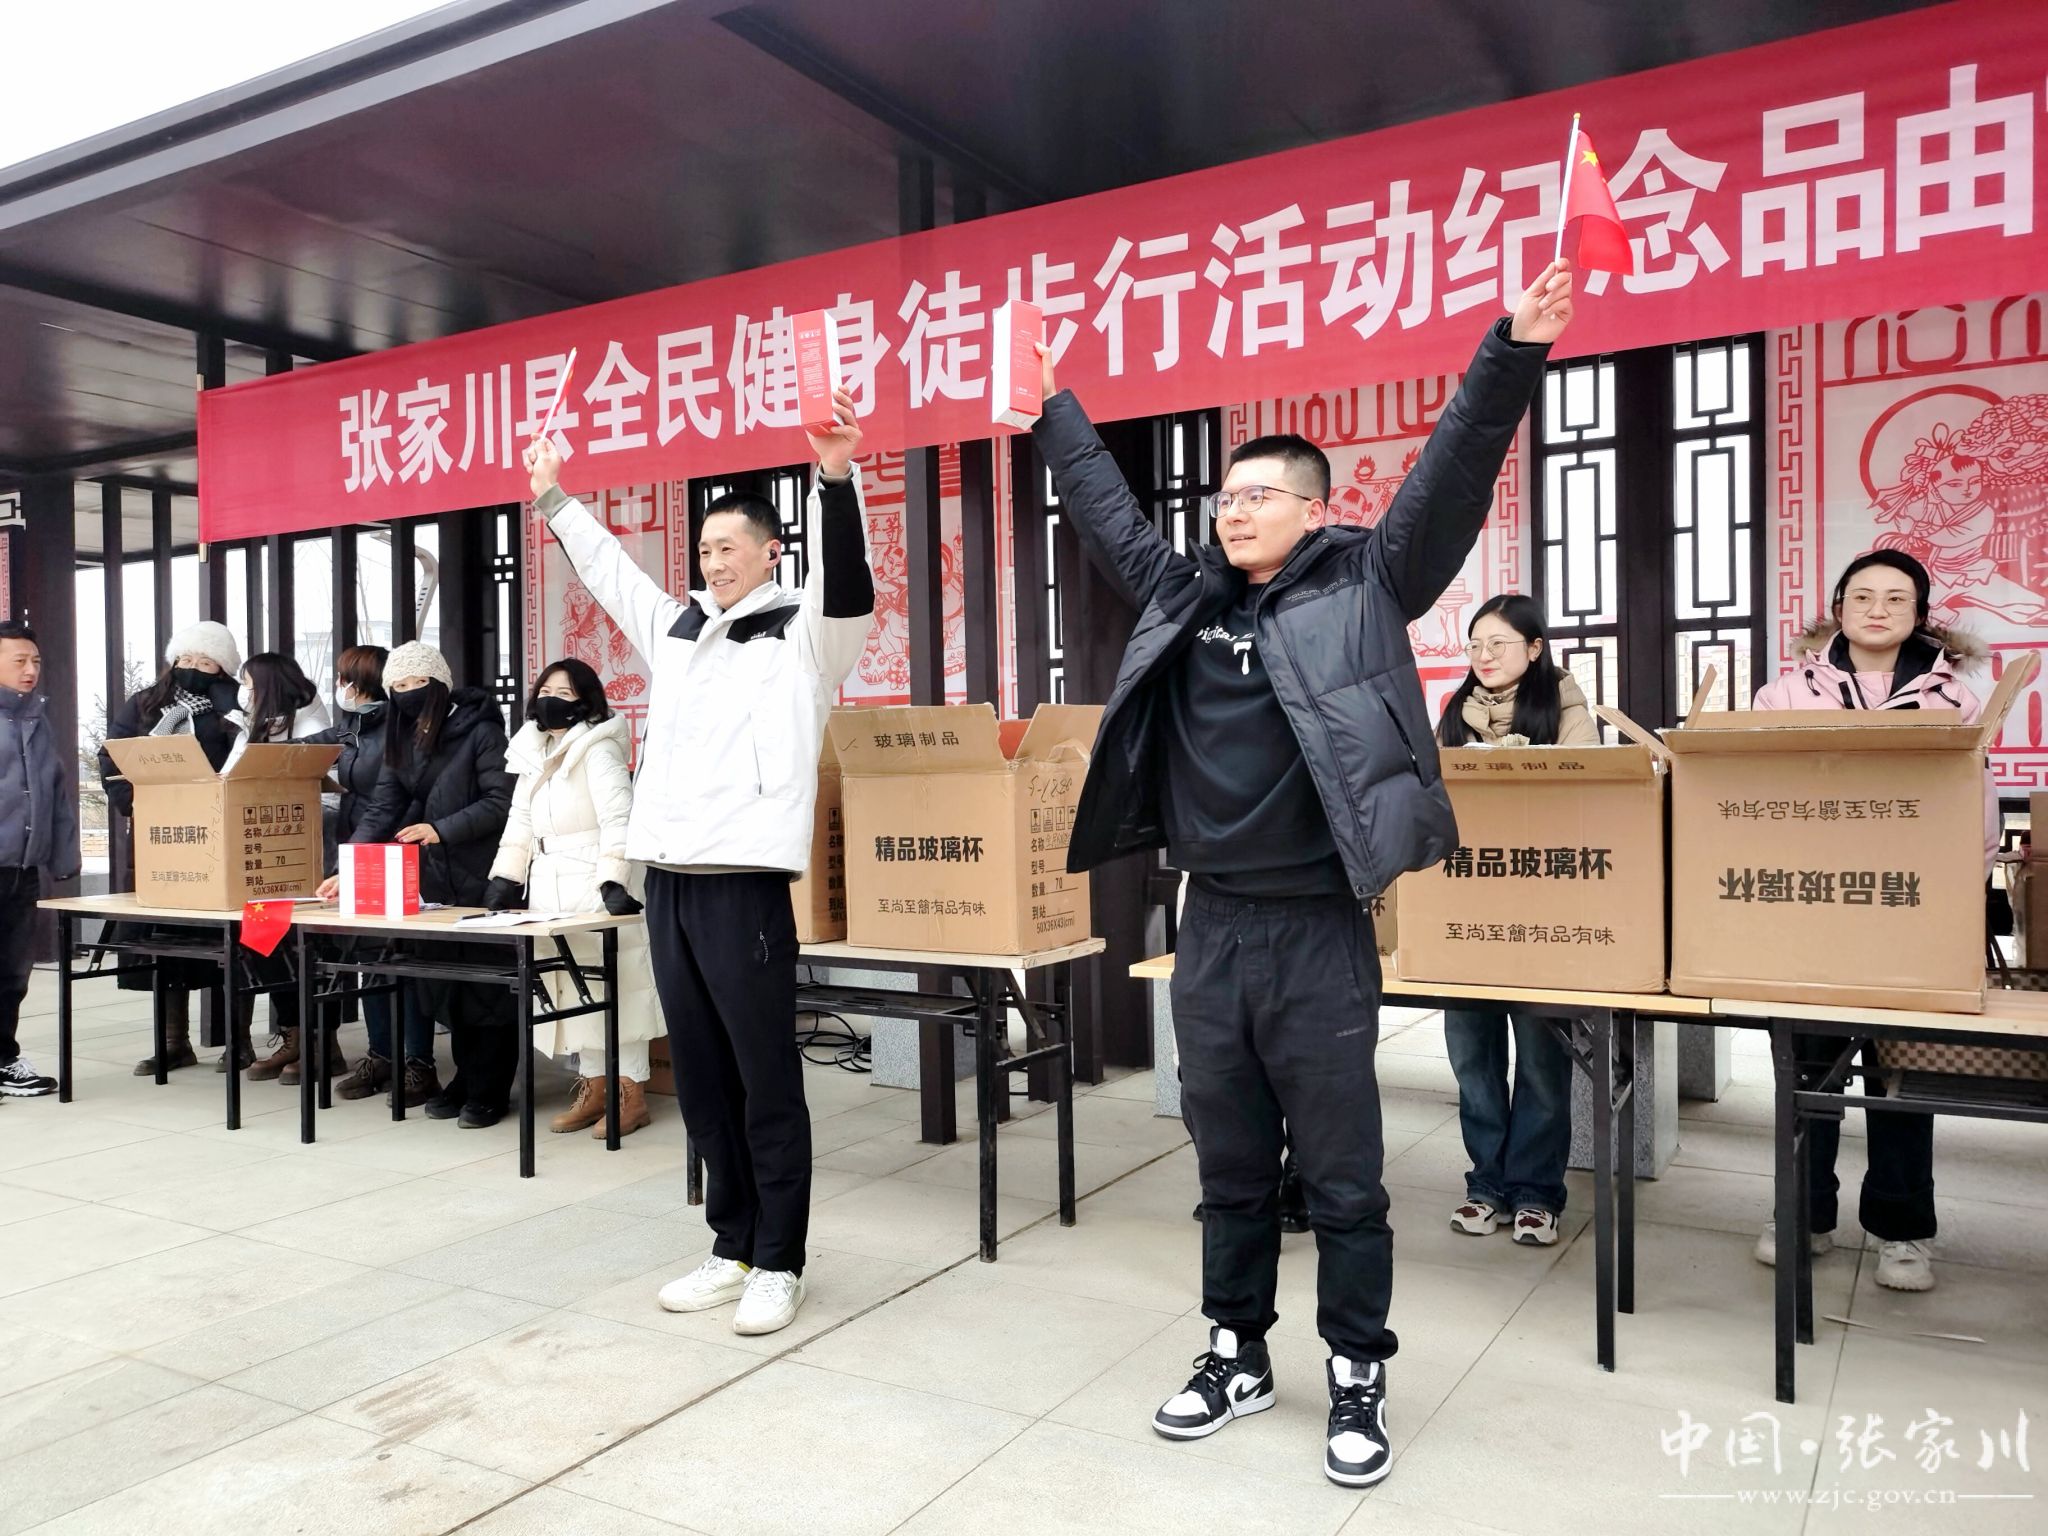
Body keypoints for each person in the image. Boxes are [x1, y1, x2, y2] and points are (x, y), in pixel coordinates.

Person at [1033, 261, 1574, 1487]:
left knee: (1341, 1175)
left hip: (1320, 929)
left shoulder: (1366, 585)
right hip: (1210, 925)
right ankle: (1233, 1352)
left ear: (1314, 510)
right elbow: (1107, 516)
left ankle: (1355, 1370)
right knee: (1227, 1165)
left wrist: (1511, 348)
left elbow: (1450, 476)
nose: (1232, 513)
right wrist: (1051, 411)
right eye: (1223, 498)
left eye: (1259, 496)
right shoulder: (1183, 596)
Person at [524, 385, 875, 1337]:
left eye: (731, 547)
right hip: (669, 883)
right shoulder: (676, 631)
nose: (715, 561)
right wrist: (554, 496)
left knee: (766, 1079)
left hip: (745, 888)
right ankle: (732, 1245)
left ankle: (782, 1260)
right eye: (706, 549)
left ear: (772, 551)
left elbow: (849, 583)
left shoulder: (807, 635)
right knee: (707, 1081)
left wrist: (834, 476)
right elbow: (608, 572)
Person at [1750, 548, 1997, 1294]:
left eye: (1896, 598)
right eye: (1862, 596)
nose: (1878, 609)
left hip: (1910, 912)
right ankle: (1803, 1212)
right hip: (1808, 906)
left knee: (1902, 1077)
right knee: (1807, 1071)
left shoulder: (1956, 700)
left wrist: (1961, 891)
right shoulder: (1784, 695)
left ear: (1920, 615)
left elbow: (1977, 807)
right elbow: (1750, 796)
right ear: (1838, 608)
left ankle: (1902, 1229)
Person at [1433, 594, 1598, 1247]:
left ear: (1534, 648)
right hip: (1467, 909)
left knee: (1540, 1064)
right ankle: (1486, 1185)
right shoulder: (1455, 713)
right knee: (1472, 1061)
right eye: (1476, 644)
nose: (1484, 656)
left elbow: (1585, 798)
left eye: (1498, 643)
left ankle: (1536, 1191)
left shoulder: (1567, 710)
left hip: (1543, 912)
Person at [320, 642, 513, 1127]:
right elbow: (384, 806)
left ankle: (489, 1089)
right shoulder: (403, 738)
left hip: (482, 877)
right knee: (447, 986)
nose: (409, 693)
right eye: (399, 686)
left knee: (487, 990)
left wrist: (441, 829)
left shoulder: (482, 730)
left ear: (440, 684)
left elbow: (500, 802)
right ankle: (464, 1079)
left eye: (418, 683)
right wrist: (349, 867)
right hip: (433, 883)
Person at [482, 658, 662, 1137]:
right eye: (545, 691)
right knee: (573, 986)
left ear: (586, 701)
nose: (551, 700)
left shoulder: (598, 750)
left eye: (564, 693)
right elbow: (520, 822)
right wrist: (505, 877)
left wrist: (615, 880)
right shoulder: (532, 752)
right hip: (549, 883)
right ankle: (596, 1086)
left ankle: (631, 1093)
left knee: (616, 985)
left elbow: (619, 817)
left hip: (595, 881)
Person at [99, 621, 245, 1074]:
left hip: (216, 833)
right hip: (158, 838)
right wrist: (136, 802)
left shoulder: (235, 704)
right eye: (186, 659)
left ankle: (238, 1041)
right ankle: (173, 1041)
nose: (193, 668)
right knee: (163, 939)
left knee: (228, 941)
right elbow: (113, 755)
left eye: (206, 662)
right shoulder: (146, 702)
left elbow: (246, 755)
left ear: (223, 668)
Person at [309, 647, 438, 1102]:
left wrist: (364, 852)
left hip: (397, 851)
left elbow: (395, 801)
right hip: (361, 848)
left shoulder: (398, 729)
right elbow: (317, 745)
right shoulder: (354, 726)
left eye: (345, 679)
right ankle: (381, 1054)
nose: (339, 688)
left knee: (402, 961)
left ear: (361, 682)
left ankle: (417, 1061)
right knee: (368, 961)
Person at [219, 652, 334, 1084]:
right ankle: (294, 1034)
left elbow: (327, 793)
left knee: (309, 950)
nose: (243, 692)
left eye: (248, 684)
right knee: (263, 942)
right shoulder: (255, 725)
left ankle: (321, 1042)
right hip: (264, 858)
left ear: (268, 686)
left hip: (303, 856)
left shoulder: (310, 725)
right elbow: (228, 780)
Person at [0, 621, 76, 1097]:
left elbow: (55, 793)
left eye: (36, 661)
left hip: (22, 869)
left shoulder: (37, 720)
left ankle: (5, 1060)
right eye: (19, 661)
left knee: (12, 973)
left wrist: (63, 857)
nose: (30, 670)